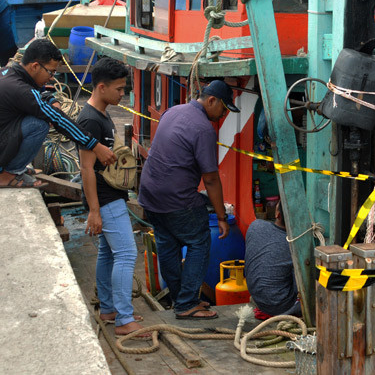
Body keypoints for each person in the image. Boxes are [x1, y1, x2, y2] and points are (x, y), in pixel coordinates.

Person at [138, 80, 237, 320]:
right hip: (175, 199)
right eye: (223, 109)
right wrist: (221, 217)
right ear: (211, 100)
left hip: (149, 195)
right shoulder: (203, 128)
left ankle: (179, 299)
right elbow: (211, 179)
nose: (223, 115)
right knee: (199, 241)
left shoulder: (173, 111)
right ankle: (187, 302)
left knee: (168, 244)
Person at [77, 58, 146, 337]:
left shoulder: (102, 114)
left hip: (109, 196)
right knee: (127, 254)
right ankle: (124, 320)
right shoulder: (90, 120)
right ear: (101, 87)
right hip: (106, 199)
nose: (122, 94)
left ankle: (109, 309)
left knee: (108, 253)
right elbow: (85, 168)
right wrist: (94, 210)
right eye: (118, 89)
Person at [0, 39, 115, 188]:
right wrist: (95, 145)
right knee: (39, 125)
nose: (52, 77)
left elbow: (38, 94)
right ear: (35, 66)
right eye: (51, 72)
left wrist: (52, 99)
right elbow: (57, 119)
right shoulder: (20, 89)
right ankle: (7, 175)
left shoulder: (9, 73)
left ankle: (13, 169)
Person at [244, 200, 301, 319]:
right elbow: (299, 289)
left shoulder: (255, 226)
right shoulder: (295, 246)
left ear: (277, 214)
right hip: (281, 306)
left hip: (258, 299)